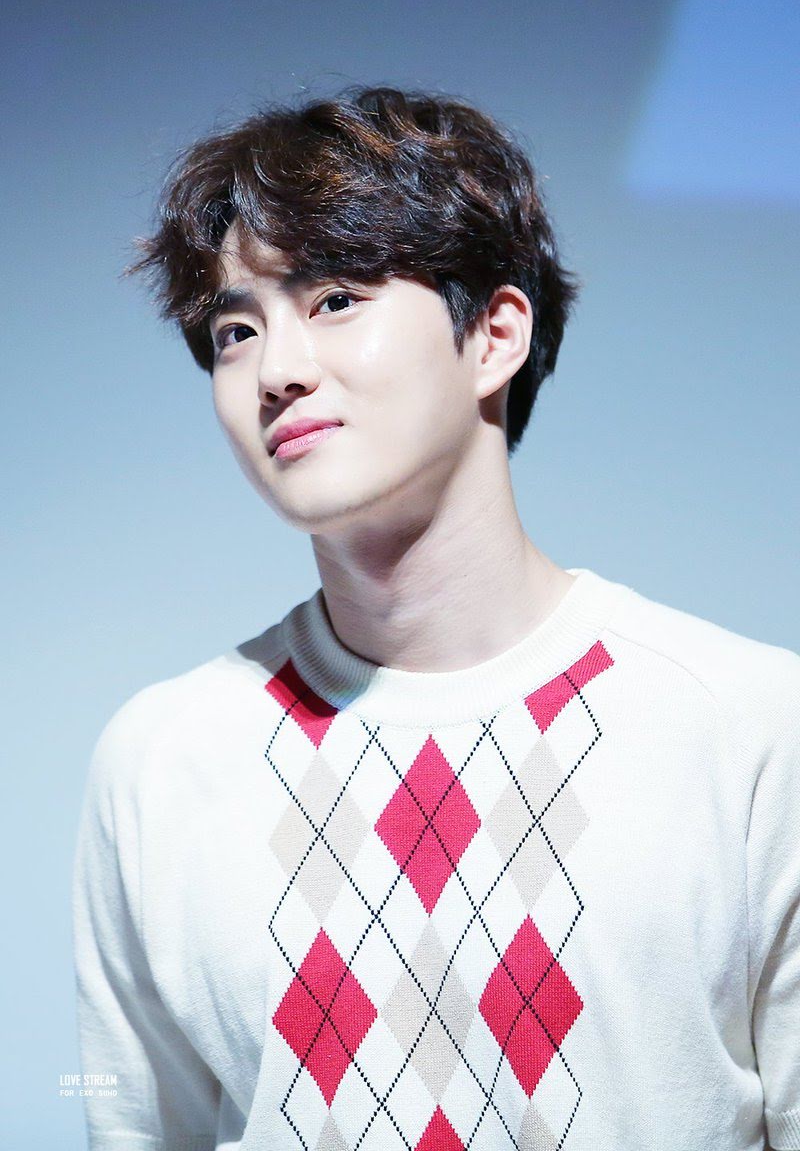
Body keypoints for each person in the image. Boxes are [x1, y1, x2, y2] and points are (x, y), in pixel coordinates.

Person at [71, 84, 799, 1151]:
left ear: (494, 336)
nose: (276, 371)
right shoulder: (161, 760)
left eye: (334, 300)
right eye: (235, 330)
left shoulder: (750, 726)